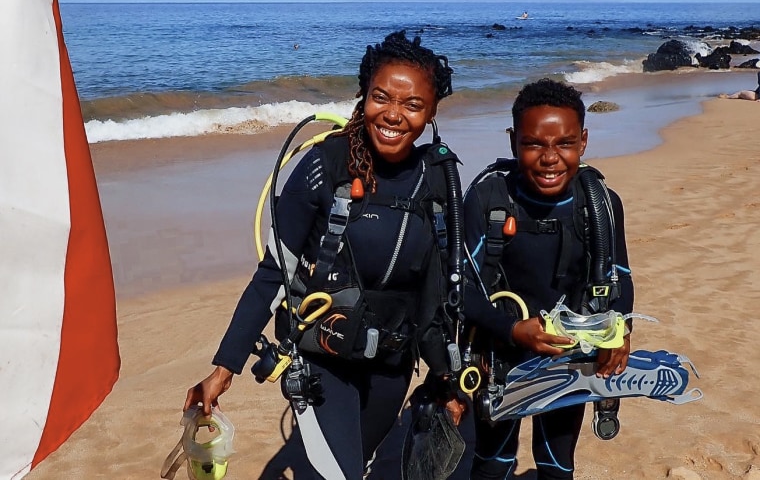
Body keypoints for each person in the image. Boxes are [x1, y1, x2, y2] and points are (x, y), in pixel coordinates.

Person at [184, 30, 464, 479]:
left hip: (392, 364)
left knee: (356, 461)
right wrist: (225, 366)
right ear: (362, 95)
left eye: (412, 105)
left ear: (431, 112)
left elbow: (442, 289)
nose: (393, 115)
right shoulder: (325, 165)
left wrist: (447, 376)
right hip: (323, 357)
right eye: (380, 97)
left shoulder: (438, 181)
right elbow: (273, 273)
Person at [460, 78, 634, 480]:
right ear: (513, 141)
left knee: (557, 463)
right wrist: (513, 330)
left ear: (584, 141)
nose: (550, 158)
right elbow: (460, 291)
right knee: (494, 461)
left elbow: (620, 276)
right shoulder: (489, 199)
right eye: (534, 143)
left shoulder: (602, 205)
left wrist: (622, 327)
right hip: (501, 351)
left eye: (565, 143)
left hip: (570, 353)